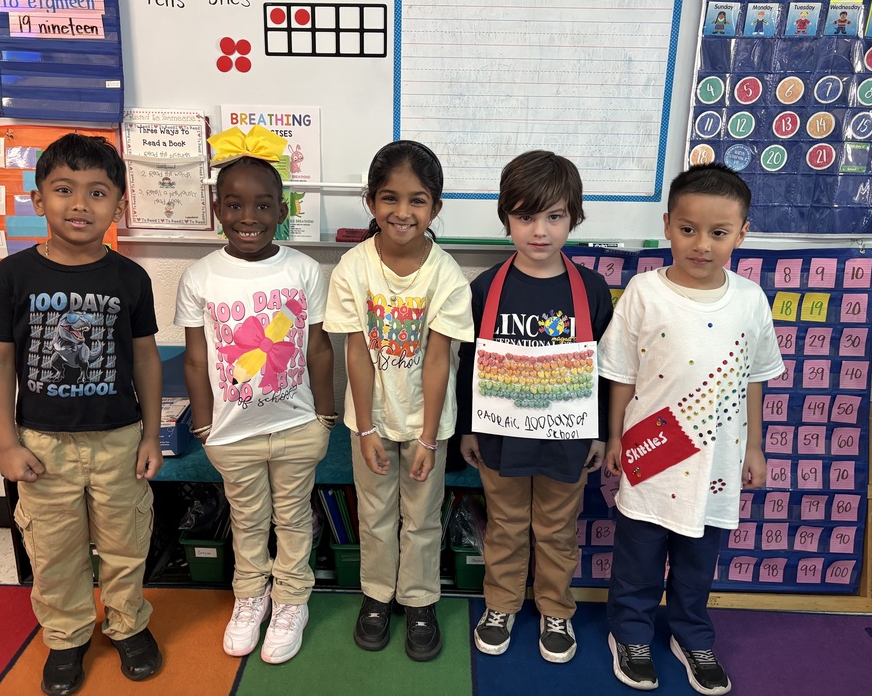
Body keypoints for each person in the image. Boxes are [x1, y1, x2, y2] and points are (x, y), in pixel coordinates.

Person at [0, 134, 164, 696]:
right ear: (39, 201)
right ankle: (65, 637)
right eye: (64, 190)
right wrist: (7, 444)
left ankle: (128, 624)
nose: (79, 204)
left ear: (119, 205)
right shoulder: (13, 277)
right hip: (42, 446)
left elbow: (146, 359)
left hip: (118, 440)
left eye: (97, 192)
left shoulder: (130, 279)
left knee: (125, 543)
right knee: (54, 548)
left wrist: (152, 435)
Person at [599, 163, 783, 695]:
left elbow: (754, 377)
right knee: (637, 556)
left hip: (718, 461)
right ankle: (629, 633)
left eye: (719, 232)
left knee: (699, 562)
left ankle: (691, 634)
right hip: (652, 453)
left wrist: (756, 447)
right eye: (688, 229)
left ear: (743, 232)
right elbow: (620, 373)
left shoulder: (749, 299)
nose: (701, 244)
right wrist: (614, 437)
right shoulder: (642, 291)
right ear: (667, 225)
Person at [175, 125, 336, 665]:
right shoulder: (199, 276)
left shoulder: (304, 270)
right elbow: (196, 358)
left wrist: (327, 418)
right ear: (218, 208)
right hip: (231, 434)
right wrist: (203, 426)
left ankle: (292, 599)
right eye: (236, 204)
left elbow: (318, 350)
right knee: (247, 519)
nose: (250, 217)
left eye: (264, 205)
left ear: (282, 209)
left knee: (292, 518)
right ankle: (250, 597)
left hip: (296, 428)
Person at [455, 151, 614, 663]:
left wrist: (601, 432)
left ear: (575, 217)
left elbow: (604, 368)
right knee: (504, 526)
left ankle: (556, 610)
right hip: (500, 434)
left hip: (567, 437)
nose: (539, 231)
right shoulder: (485, 289)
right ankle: (500, 604)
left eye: (554, 216)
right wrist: (466, 428)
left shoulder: (590, 289)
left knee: (556, 530)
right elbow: (469, 365)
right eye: (525, 217)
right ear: (506, 218)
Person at [324, 140, 473, 662]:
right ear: (370, 201)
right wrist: (365, 430)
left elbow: (439, 361)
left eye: (417, 200)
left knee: (423, 517)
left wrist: (428, 437)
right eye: (389, 198)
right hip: (371, 420)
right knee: (375, 513)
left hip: (428, 424)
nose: (402, 212)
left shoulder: (447, 276)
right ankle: (376, 596)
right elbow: (357, 353)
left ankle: (420, 600)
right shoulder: (352, 268)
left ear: (435, 207)